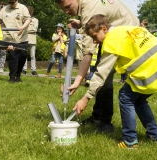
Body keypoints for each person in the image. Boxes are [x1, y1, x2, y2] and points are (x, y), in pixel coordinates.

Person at [73, 14, 157, 148]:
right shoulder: (126, 29)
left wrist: (86, 98)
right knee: (138, 99)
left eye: (94, 36)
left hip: (152, 68)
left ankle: (130, 140)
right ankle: (155, 137)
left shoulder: (111, 40)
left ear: (104, 29)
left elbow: (101, 73)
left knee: (125, 96)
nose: (94, 41)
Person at [55, 0, 140, 133]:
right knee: (98, 73)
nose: (66, 12)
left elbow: (88, 52)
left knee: (103, 76)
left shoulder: (89, 9)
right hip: (115, 32)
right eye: (63, 9)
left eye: (67, 6)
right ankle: (97, 116)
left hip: (126, 34)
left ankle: (105, 123)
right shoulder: (86, 5)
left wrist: (77, 82)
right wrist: (81, 23)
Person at [0, 0, 31, 83]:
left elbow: (28, 19)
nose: (11, 4)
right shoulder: (4, 9)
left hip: (22, 37)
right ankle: (12, 77)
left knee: (23, 56)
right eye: (9, 2)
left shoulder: (23, 8)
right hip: (10, 38)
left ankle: (18, 75)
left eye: (12, 2)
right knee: (13, 57)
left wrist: (22, 27)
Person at [22, 6, 39, 76]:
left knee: (32, 55)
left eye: (30, 12)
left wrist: (26, 29)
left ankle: (33, 70)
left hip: (32, 39)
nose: (29, 13)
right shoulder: (23, 20)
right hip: (25, 38)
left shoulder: (35, 20)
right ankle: (24, 69)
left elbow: (35, 29)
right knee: (24, 55)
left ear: (32, 13)